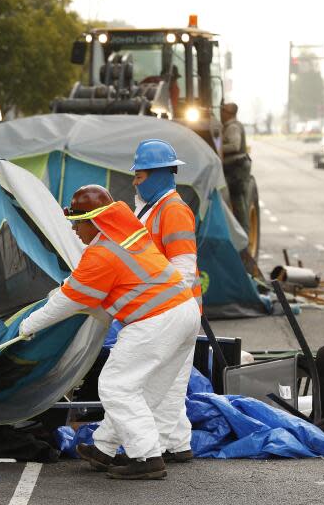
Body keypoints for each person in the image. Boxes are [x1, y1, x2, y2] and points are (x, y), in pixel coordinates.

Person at [19, 185, 200, 480]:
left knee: (117, 386)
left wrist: (27, 326)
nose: (75, 230)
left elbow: (68, 301)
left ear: (95, 220)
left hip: (155, 320)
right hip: (184, 311)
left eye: (78, 222)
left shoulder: (102, 253)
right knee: (143, 388)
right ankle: (104, 448)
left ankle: (147, 459)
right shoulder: (128, 234)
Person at [130, 139, 202, 463]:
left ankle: (154, 449)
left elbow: (183, 271)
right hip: (168, 310)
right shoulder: (151, 207)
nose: (135, 181)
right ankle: (178, 443)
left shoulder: (172, 210)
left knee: (159, 384)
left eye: (140, 176)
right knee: (172, 383)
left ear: (159, 175)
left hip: (171, 311)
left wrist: (161, 313)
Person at [221, 103, 252, 222]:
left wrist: (217, 148)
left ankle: (243, 235)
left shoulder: (233, 127)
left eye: (223, 110)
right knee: (238, 201)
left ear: (229, 113)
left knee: (237, 201)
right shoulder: (232, 125)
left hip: (236, 169)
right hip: (236, 168)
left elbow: (235, 146)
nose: (221, 113)